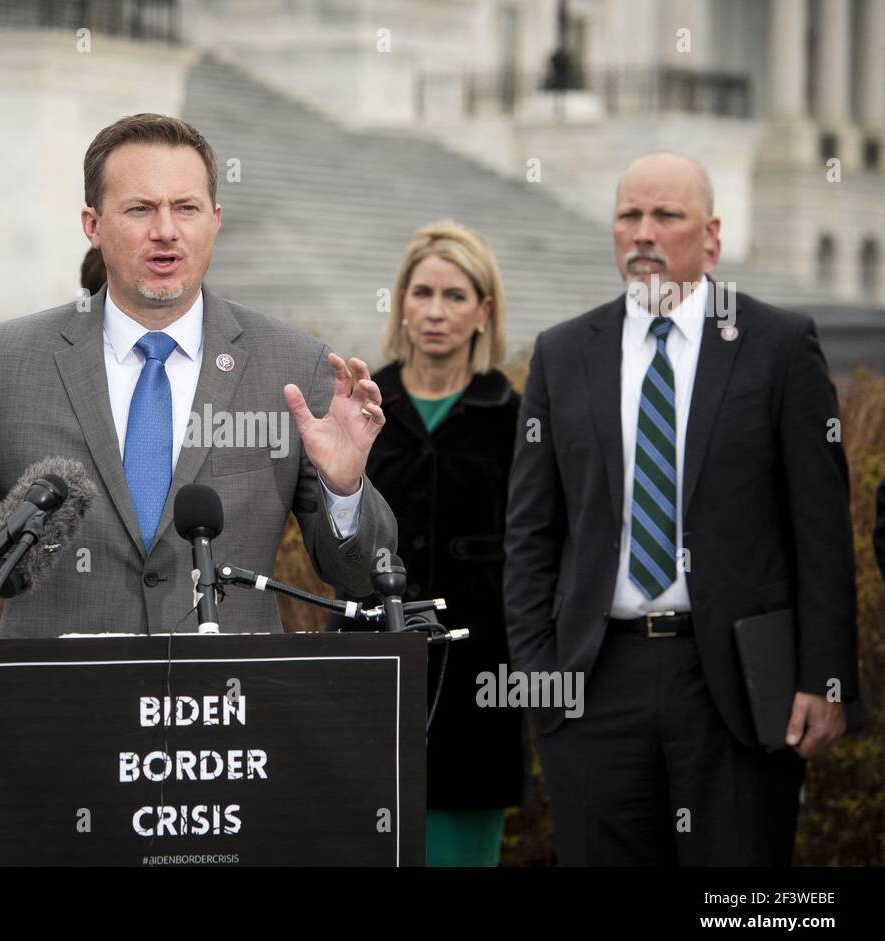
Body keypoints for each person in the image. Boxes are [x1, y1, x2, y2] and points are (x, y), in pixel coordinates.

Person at [0, 113, 398, 636]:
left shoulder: (291, 365)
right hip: (59, 699)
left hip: (227, 697)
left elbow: (358, 574)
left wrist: (344, 487)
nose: (165, 231)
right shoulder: (8, 362)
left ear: (215, 219)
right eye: (140, 209)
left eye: (186, 208)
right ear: (93, 225)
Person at [504, 153, 860, 865]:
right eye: (629, 215)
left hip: (734, 684)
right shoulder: (564, 354)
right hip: (596, 682)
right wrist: (541, 674)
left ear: (712, 237)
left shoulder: (779, 347)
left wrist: (824, 676)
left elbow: (821, 531)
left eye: (666, 216)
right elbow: (531, 534)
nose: (645, 233)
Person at [358, 220, 524, 865]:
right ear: (401, 302)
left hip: (482, 682)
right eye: (422, 292)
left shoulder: (517, 419)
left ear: (485, 311)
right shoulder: (362, 406)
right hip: (373, 673)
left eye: (455, 296)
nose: (435, 311)